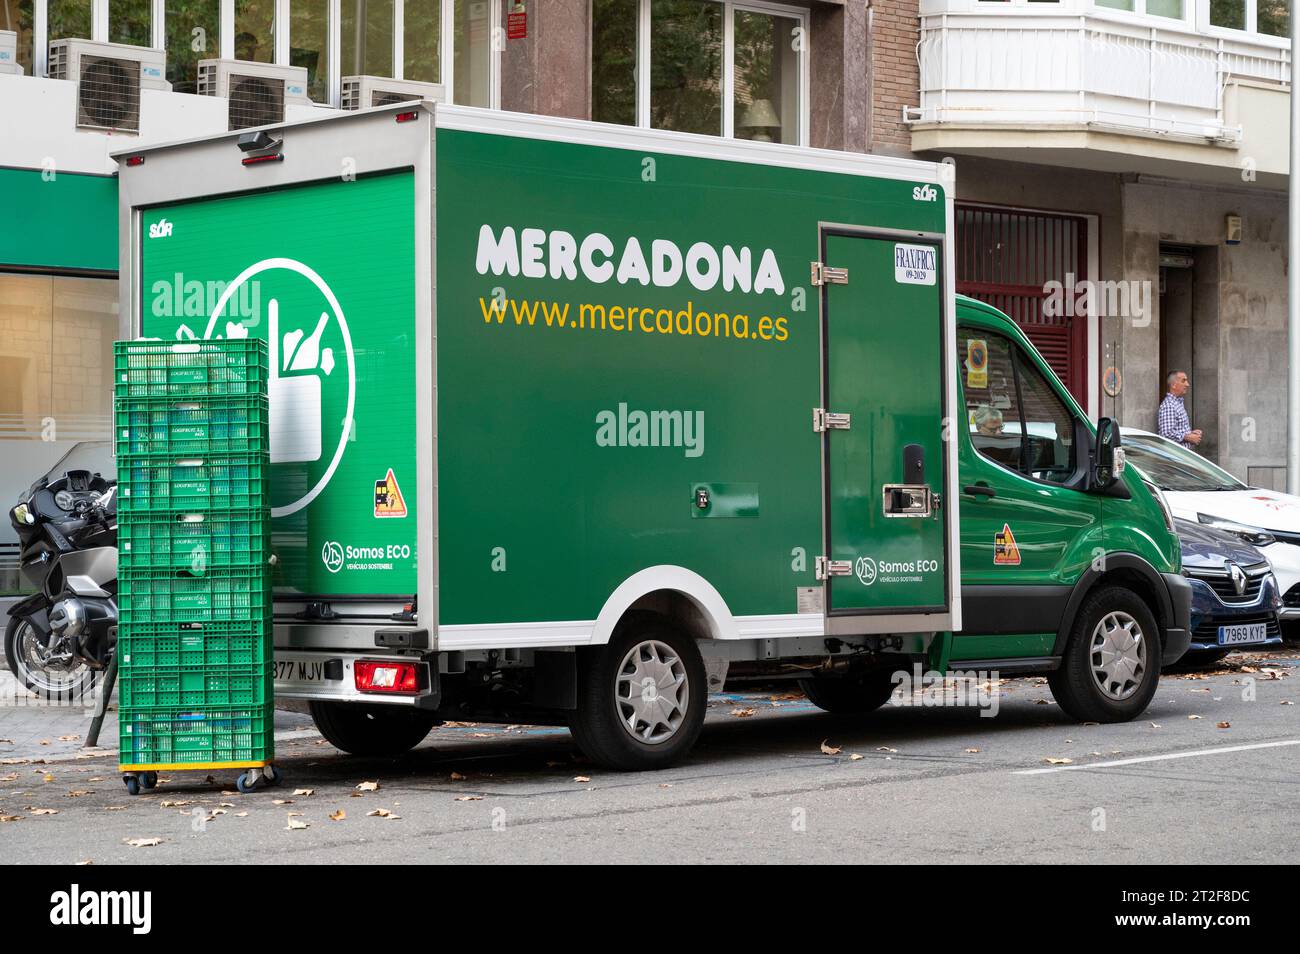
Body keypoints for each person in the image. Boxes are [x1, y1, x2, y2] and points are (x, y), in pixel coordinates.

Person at [1158, 370, 1202, 449]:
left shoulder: (1177, 403)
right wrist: (1188, 437)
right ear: (1173, 385)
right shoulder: (1169, 405)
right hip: (1176, 458)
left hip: (1182, 457)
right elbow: (1166, 434)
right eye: (1183, 381)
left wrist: (1190, 434)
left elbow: (1175, 430)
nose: (1187, 384)